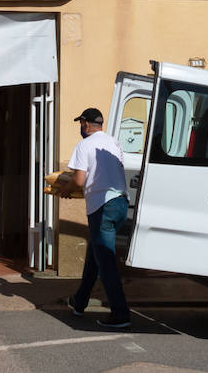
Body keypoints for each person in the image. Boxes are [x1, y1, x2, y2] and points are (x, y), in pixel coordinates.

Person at [63, 107, 131, 328]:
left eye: (80, 124)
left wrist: (65, 189)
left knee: (106, 263)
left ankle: (120, 314)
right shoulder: (114, 143)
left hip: (102, 207)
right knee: (96, 255)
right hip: (120, 203)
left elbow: (80, 180)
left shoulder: (84, 145)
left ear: (85, 124)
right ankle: (79, 302)